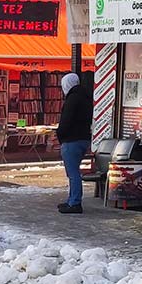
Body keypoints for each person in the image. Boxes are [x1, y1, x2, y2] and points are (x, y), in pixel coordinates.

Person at [56, 73, 91, 215]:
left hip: (71, 140)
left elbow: (66, 120)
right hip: (83, 138)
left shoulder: (72, 99)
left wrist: (60, 135)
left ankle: (74, 202)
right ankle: (72, 200)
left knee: (73, 173)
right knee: (74, 171)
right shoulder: (86, 97)